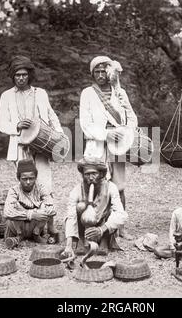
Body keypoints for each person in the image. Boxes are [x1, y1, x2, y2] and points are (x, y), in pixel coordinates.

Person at [0, 55, 63, 237]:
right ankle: (27, 226)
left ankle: (50, 225)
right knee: (26, 185)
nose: (20, 78)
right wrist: (16, 126)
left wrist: (59, 134)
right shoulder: (6, 96)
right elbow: (1, 122)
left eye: (24, 74)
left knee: (46, 185)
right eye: (17, 75)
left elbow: (51, 116)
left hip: (42, 147)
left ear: (29, 75)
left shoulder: (40, 93)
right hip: (20, 146)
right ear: (13, 76)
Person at [79, 55, 137, 240]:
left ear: (110, 72)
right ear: (92, 74)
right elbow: (85, 124)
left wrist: (125, 132)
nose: (101, 74)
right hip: (96, 145)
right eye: (97, 71)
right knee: (94, 183)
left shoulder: (120, 92)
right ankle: (93, 224)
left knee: (119, 187)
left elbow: (131, 117)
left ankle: (120, 227)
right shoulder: (87, 93)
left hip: (118, 146)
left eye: (104, 70)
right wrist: (105, 133)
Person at [62, 157, 128, 259]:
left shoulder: (111, 187)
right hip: (85, 226)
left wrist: (102, 229)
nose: (91, 178)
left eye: (94, 173)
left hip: (103, 225)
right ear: (83, 175)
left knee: (112, 211)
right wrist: (68, 245)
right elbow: (70, 216)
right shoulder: (77, 190)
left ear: (101, 174)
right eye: (87, 174)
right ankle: (81, 239)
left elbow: (122, 215)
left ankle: (104, 241)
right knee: (80, 206)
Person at [3, 159, 58, 249]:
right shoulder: (13, 190)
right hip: (17, 226)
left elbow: (53, 209)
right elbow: (7, 212)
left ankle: (36, 234)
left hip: (36, 226)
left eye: (31, 178)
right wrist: (31, 214)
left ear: (35, 178)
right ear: (19, 178)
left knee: (45, 206)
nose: (28, 182)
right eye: (24, 179)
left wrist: (41, 212)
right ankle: (19, 235)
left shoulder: (41, 188)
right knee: (15, 206)